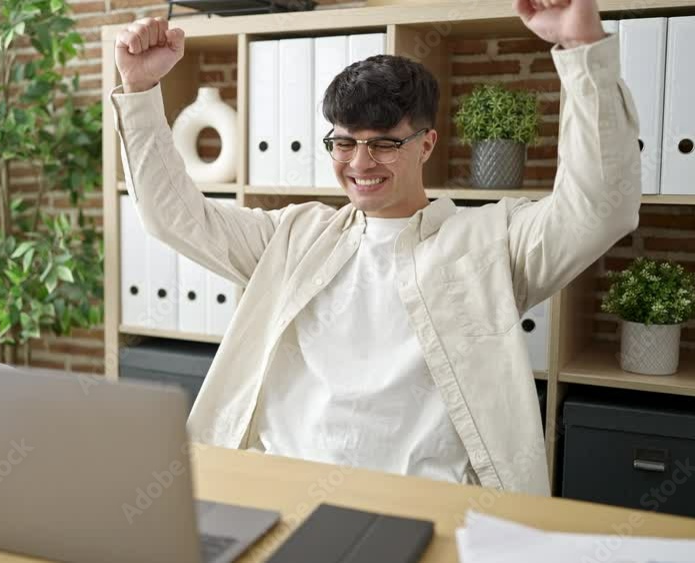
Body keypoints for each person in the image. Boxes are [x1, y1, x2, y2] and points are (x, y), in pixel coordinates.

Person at [109, 0, 640, 495]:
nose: (360, 164)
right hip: (281, 487)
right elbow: (173, 217)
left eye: (384, 143)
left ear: (426, 143)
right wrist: (138, 90)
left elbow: (600, 208)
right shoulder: (293, 236)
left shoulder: (491, 243)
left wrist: (581, 51)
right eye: (343, 143)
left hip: (425, 504)